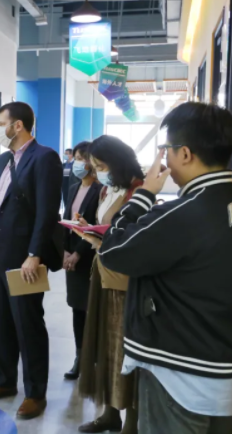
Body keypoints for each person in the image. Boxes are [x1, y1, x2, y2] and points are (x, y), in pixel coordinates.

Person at [97, 103, 232, 434]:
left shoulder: (184, 213)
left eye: (167, 150)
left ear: (185, 153)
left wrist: (144, 194)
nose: (166, 161)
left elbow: (113, 251)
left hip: (183, 377)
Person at [0, 101, 63, 420]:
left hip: (24, 259)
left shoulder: (45, 157)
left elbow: (47, 211)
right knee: (0, 321)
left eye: (1, 123)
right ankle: (5, 380)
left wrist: (34, 254)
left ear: (18, 126)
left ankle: (35, 393)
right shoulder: (3, 160)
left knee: (28, 324)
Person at [76, 135, 144, 434]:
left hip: (124, 282)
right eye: (95, 166)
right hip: (103, 273)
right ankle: (110, 412)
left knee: (124, 349)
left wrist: (100, 240)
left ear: (117, 162)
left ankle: (132, 420)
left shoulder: (139, 191)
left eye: (102, 166)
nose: (98, 172)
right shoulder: (108, 189)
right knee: (106, 346)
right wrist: (88, 231)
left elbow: (134, 240)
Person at [62, 141, 103, 381]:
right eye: (76, 157)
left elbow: (96, 227)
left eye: (82, 158)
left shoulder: (101, 190)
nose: (78, 162)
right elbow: (67, 221)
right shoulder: (73, 187)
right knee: (77, 309)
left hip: (89, 257)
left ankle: (94, 359)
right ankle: (80, 357)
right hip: (71, 260)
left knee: (92, 309)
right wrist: (65, 251)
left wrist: (78, 253)